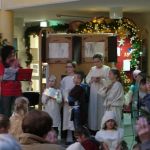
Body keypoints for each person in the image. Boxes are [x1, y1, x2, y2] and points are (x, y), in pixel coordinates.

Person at [86, 53, 110, 132]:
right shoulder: (92, 69)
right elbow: (87, 80)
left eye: (97, 61)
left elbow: (110, 81)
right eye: (94, 62)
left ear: (102, 60)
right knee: (93, 110)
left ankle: (102, 127)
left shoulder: (107, 69)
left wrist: (101, 80)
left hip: (103, 93)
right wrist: (92, 79)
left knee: (101, 110)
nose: (96, 63)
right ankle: (93, 128)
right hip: (93, 92)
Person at [1, 45, 22, 117]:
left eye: (14, 52)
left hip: (17, 89)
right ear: (7, 53)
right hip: (6, 91)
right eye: (11, 52)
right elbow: (2, 76)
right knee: (6, 112)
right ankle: (6, 127)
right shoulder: (1, 63)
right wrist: (13, 69)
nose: (13, 54)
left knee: (19, 110)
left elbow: (20, 73)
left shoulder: (16, 61)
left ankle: (17, 127)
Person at [60, 61, 76, 144]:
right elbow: (62, 89)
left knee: (74, 119)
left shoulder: (77, 77)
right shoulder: (64, 79)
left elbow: (79, 89)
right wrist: (65, 98)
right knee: (67, 119)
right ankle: (68, 137)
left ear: (73, 68)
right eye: (67, 67)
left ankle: (75, 137)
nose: (68, 68)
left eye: (70, 67)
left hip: (75, 103)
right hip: (67, 102)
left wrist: (73, 99)